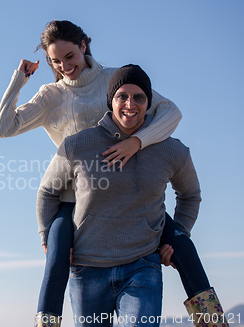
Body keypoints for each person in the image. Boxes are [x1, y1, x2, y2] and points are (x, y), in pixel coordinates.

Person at [0, 21, 224, 327]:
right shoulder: (51, 95)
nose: (64, 66)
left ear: (83, 47)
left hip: (127, 199)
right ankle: (46, 322)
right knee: (56, 260)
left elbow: (172, 113)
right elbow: (4, 128)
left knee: (183, 246)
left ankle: (213, 322)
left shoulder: (117, 83)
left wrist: (137, 141)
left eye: (70, 57)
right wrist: (19, 80)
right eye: (55, 61)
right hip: (74, 199)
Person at [36, 64, 225, 327]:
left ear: (148, 102)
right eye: (122, 96)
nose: (130, 104)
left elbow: (190, 195)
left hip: (142, 265)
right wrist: (48, 238)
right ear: (110, 100)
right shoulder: (78, 145)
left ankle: (213, 322)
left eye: (139, 97)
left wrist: (179, 235)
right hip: (87, 268)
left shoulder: (171, 150)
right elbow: (47, 192)